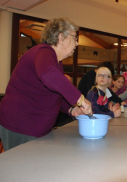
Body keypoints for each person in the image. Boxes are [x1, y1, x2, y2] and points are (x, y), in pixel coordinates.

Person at [0, 17, 92, 151]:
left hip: (33, 127)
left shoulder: (56, 61)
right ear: (60, 37)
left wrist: (72, 109)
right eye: (74, 38)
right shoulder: (44, 51)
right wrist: (80, 99)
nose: (77, 43)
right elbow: (48, 75)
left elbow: (53, 94)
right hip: (21, 126)